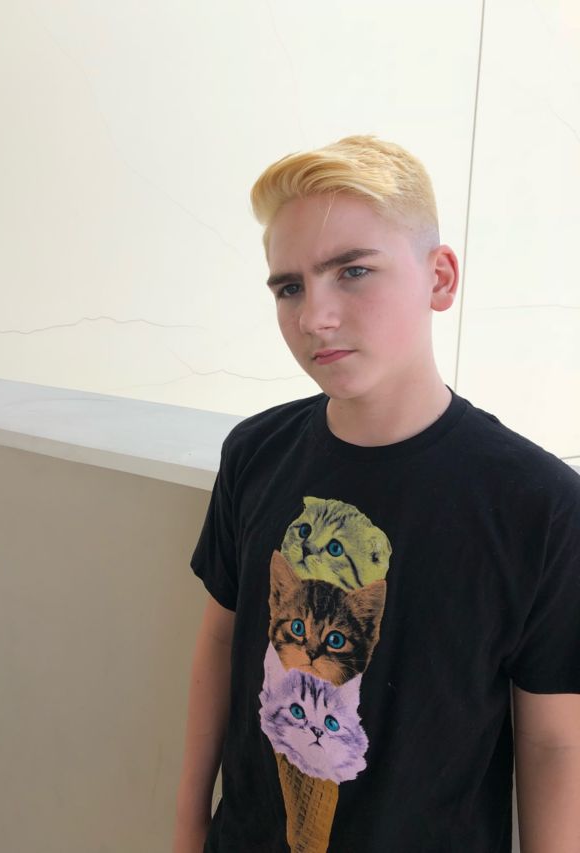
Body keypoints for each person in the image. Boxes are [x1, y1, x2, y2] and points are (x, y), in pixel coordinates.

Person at [172, 135, 580, 853]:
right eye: (289, 287)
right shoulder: (257, 453)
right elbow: (221, 640)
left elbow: (552, 741)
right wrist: (186, 826)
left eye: (353, 271)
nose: (314, 317)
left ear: (439, 278)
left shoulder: (538, 504)